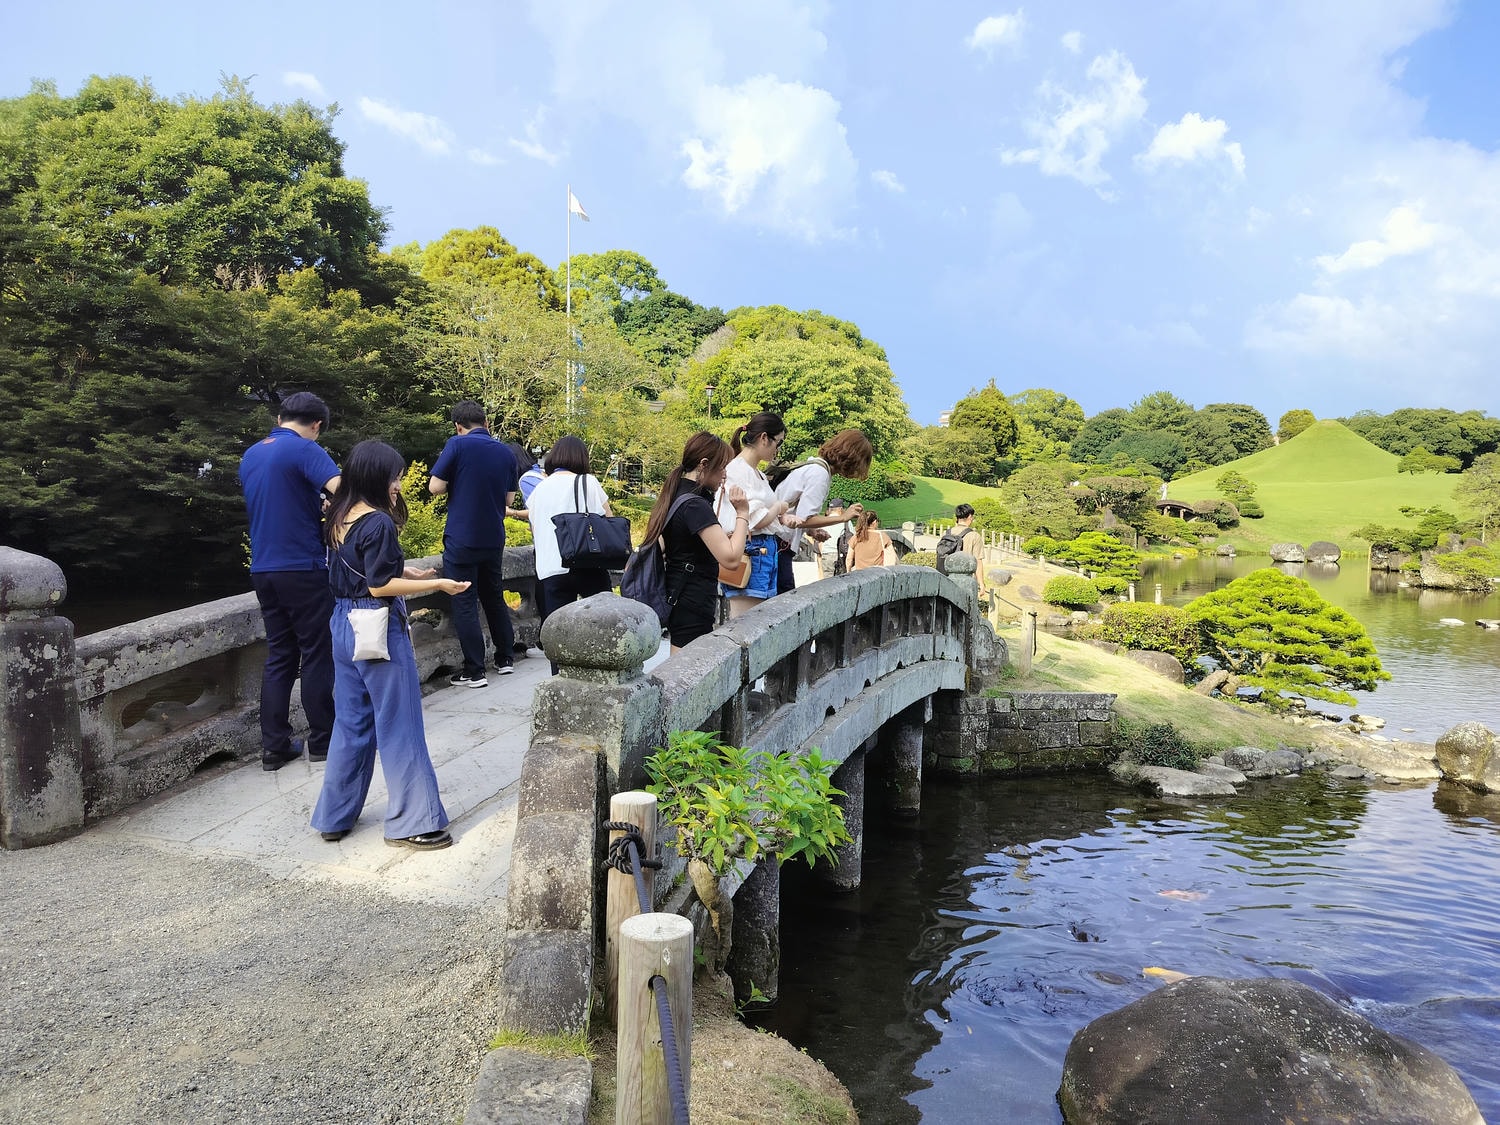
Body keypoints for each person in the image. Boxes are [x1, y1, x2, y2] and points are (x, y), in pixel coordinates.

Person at [312, 440, 471, 850]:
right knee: (400, 723)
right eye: (395, 476)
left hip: (343, 625)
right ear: (376, 477)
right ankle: (414, 821)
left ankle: (334, 815)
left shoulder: (338, 515)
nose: (399, 484)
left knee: (351, 723)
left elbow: (361, 569)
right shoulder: (379, 522)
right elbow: (379, 585)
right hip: (378, 628)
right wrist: (435, 583)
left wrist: (408, 571)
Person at [239, 391, 341, 772]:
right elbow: (344, 493)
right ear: (315, 425)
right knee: (316, 650)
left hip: (263, 567)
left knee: (280, 655)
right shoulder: (304, 449)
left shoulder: (252, 454)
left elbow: (282, 502)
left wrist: (316, 504)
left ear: (281, 417)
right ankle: (323, 741)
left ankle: (274, 748)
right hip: (302, 564)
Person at [429, 401, 519, 688]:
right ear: (486, 423)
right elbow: (509, 501)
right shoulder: (505, 452)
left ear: (458, 425)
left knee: (464, 599)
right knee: (494, 595)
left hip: (462, 537)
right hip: (494, 537)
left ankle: (474, 670)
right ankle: (505, 658)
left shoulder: (457, 444)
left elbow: (435, 487)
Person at [641, 432, 751, 651]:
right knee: (685, 671)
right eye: (721, 468)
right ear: (704, 465)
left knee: (682, 664)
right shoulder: (695, 505)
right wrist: (743, 512)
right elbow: (730, 558)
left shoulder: (677, 494)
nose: (724, 476)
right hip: (692, 596)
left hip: (679, 591)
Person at [526, 436, 615, 660]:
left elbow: (536, 531)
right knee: (603, 630)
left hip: (550, 571)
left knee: (558, 638)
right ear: (581, 458)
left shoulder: (538, 490)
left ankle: (560, 681)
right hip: (587, 564)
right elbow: (609, 521)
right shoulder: (588, 482)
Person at [772, 429, 873, 592]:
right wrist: (843, 518)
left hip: (775, 540)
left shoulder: (813, 466)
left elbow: (800, 514)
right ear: (852, 459)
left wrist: (812, 531)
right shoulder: (820, 474)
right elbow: (804, 519)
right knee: (781, 600)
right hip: (779, 544)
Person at [718, 412, 796, 619]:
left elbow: (763, 517)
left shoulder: (756, 473)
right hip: (751, 551)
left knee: (759, 623)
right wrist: (779, 507)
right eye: (777, 443)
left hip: (763, 550)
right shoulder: (738, 470)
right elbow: (755, 518)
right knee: (747, 623)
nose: (777, 450)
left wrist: (781, 518)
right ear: (764, 438)